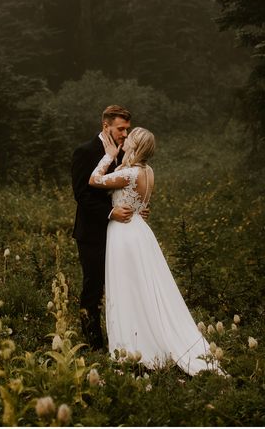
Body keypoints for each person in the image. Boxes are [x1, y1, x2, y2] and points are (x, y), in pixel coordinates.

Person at [88, 126, 220, 375]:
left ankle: (134, 345)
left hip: (123, 233)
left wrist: (107, 155)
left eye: (131, 137)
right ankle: (146, 336)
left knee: (127, 288)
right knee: (145, 287)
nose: (125, 139)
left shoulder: (128, 172)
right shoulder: (148, 171)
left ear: (136, 145)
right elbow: (138, 202)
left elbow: (94, 180)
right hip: (140, 230)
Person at [72, 105, 149, 350]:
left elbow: (127, 187)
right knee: (93, 286)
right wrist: (110, 212)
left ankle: (125, 340)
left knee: (122, 285)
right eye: (120, 129)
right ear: (106, 126)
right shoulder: (84, 151)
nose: (125, 134)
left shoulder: (125, 154)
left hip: (121, 233)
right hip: (93, 233)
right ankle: (94, 344)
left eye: (127, 129)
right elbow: (82, 195)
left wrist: (135, 208)